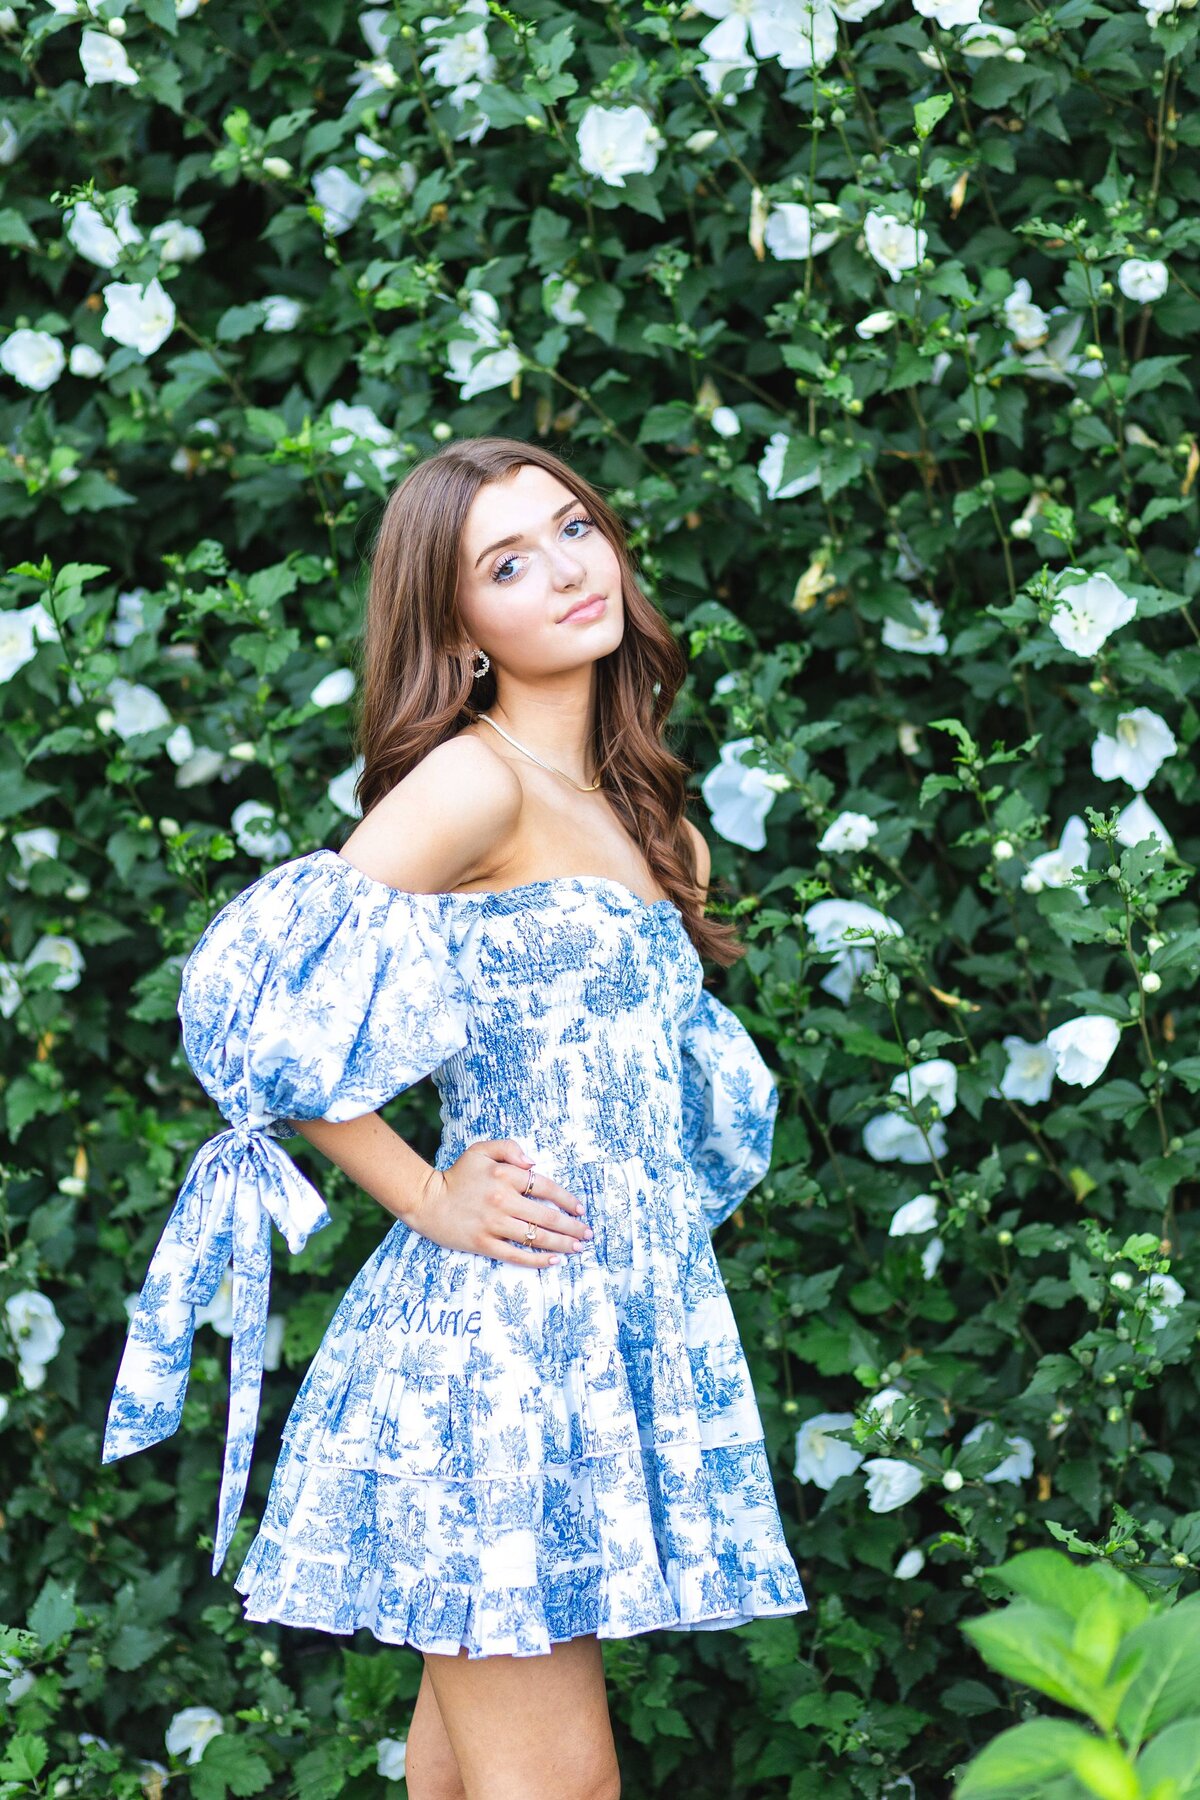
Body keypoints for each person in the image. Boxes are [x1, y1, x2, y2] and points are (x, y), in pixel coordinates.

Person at [102, 437, 808, 1800]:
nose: (563, 571)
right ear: (459, 629)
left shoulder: (650, 816)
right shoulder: (475, 784)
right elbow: (258, 1003)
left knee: (466, 1781)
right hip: (494, 1346)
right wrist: (426, 1192)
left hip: (587, 1343)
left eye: (573, 529)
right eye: (506, 563)